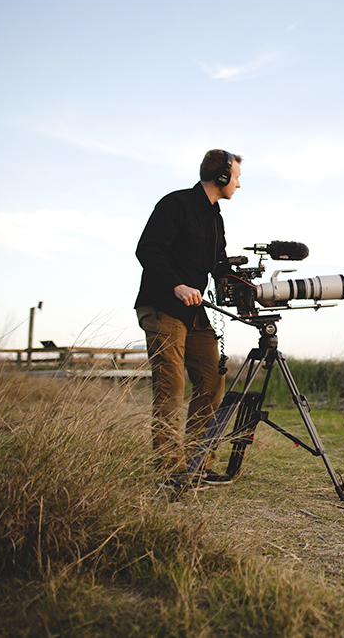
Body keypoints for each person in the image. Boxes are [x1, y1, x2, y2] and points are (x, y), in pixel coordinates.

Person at [134, 149, 242, 488]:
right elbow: (147, 249)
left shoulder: (215, 218)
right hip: (162, 305)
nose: (239, 184)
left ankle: (198, 460)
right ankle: (170, 470)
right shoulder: (175, 204)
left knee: (212, 381)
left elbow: (218, 263)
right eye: (236, 177)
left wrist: (243, 283)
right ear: (222, 176)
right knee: (172, 386)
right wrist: (177, 285)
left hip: (194, 312)